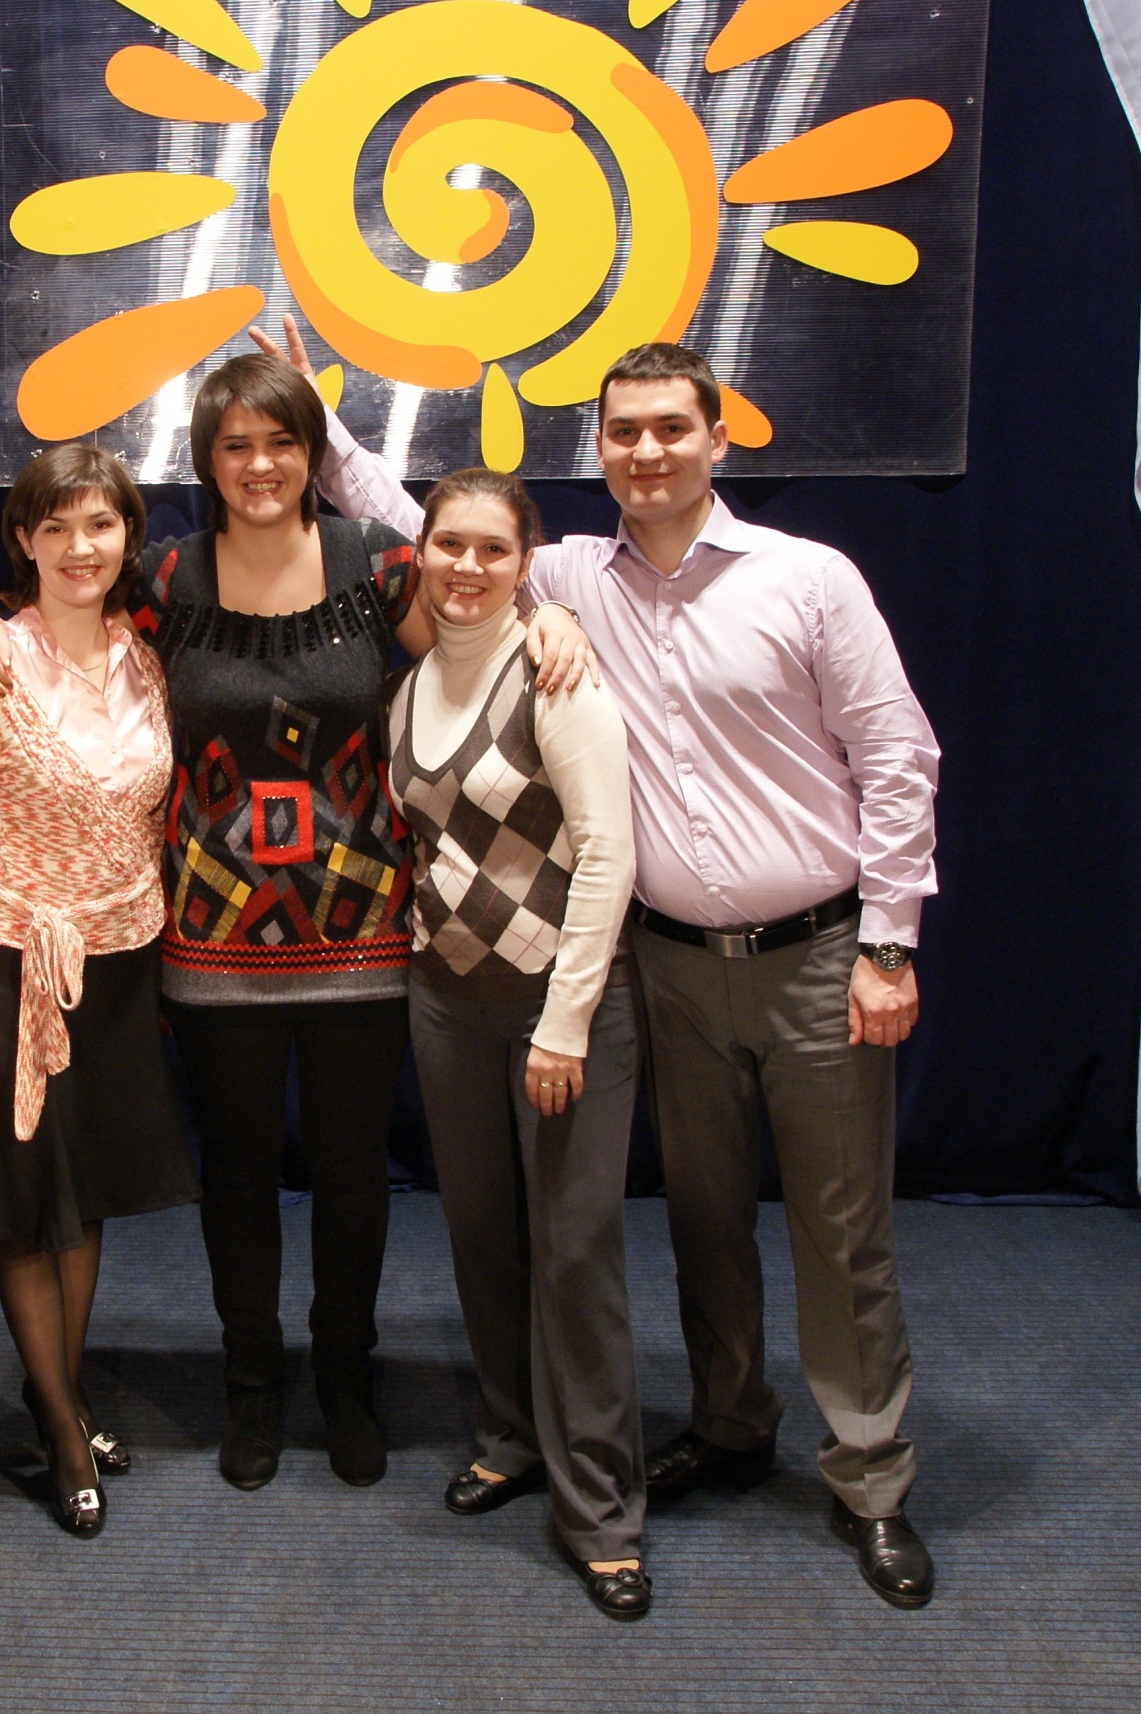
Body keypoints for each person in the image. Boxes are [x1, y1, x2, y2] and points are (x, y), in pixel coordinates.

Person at [276, 319, 943, 1610]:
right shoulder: (570, 577)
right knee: (703, 1221)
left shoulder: (808, 579)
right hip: (668, 964)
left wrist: (888, 941)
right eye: (624, 431)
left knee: (840, 1231)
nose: (646, 451)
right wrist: (325, 425)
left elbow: (897, 756)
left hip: (816, 956)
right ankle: (732, 1423)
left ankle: (871, 1479)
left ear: (717, 437)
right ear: (599, 446)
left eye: (670, 428)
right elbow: (429, 529)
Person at [0, 355, 595, 1492]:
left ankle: (345, 1377)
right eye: (235, 446)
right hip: (210, 950)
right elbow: (58, 622)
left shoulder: (376, 565)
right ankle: (252, 1382)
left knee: (351, 1177)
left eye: (281, 442)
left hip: (363, 941)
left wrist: (556, 620)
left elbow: (476, 611)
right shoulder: (164, 578)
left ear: (311, 453)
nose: (259, 465)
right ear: (206, 460)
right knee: (239, 1178)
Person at [0, 444, 199, 1537]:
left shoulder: (145, 660)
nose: (81, 547)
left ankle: (63, 1395)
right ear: (23, 541)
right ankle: (65, 1433)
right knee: (29, 1206)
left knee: (87, 1197)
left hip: (119, 970)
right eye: (57, 526)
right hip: (9, 962)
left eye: (101, 524)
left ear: (129, 537)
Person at [387, 467, 648, 1621]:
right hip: (448, 1006)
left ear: (524, 562)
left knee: (573, 1256)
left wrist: (565, 1023)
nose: (467, 566)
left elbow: (608, 856)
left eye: (492, 549)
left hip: (560, 1015)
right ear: (422, 551)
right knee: (483, 1236)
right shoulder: (408, 690)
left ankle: (602, 1511)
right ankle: (510, 1435)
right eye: (449, 543)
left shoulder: (555, 675)